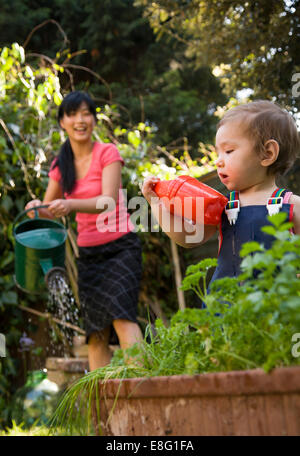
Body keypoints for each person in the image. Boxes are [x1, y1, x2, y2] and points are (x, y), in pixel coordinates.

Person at [25, 91, 143, 370]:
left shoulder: (107, 153)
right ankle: (101, 408)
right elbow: (47, 208)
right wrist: (36, 206)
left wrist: (68, 204)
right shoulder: (60, 164)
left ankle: (145, 388)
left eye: (86, 113)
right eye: (73, 114)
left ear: (93, 119)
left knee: (123, 317)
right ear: (62, 122)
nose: (80, 120)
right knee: (95, 333)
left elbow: (108, 201)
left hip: (121, 247)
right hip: (90, 254)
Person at [142, 100, 300, 287]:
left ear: (267, 153)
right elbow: (188, 237)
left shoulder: (293, 205)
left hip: (273, 306)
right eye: (218, 153)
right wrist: (156, 204)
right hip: (227, 306)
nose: (218, 162)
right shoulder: (222, 207)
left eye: (229, 151)